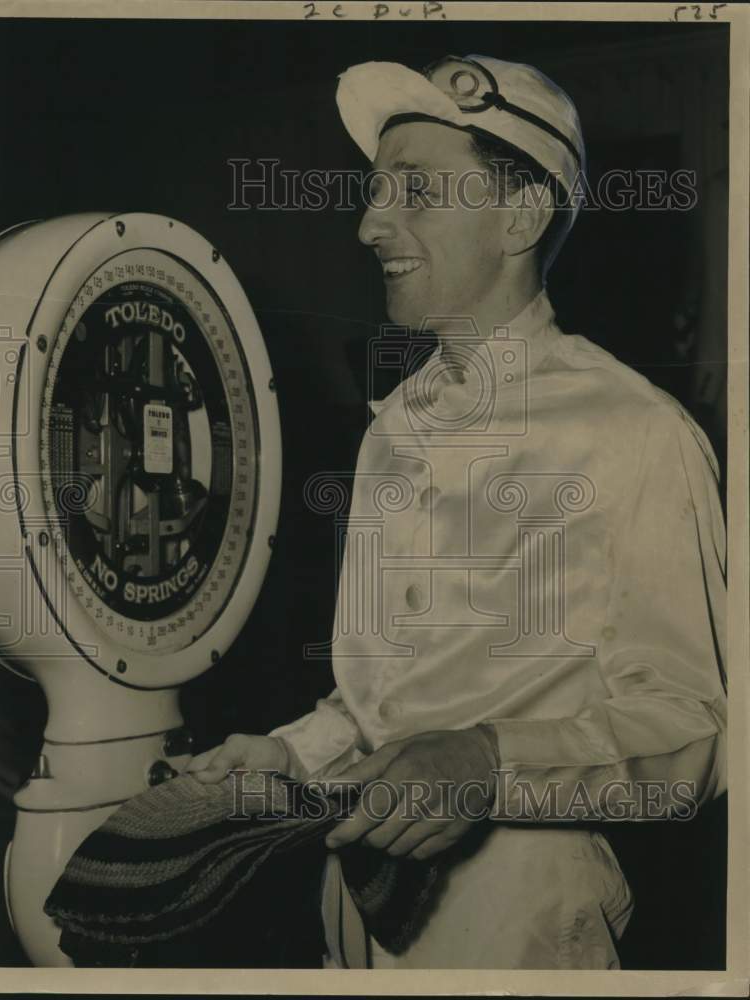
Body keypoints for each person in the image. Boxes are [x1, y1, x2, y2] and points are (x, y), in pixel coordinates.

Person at [187, 55, 727, 969]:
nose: (369, 224)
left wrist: (488, 761)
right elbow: (382, 705)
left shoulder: (638, 431)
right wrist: (292, 755)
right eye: (373, 190)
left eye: (416, 192)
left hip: (518, 928)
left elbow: (696, 740)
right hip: (353, 905)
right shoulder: (395, 425)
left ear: (520, 216)